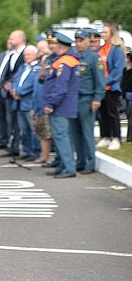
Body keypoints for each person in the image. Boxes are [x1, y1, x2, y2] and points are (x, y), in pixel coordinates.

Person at [43, 32, 80, 178]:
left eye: (56, 44)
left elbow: (61, 86)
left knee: (61, 136)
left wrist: (51, 103)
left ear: (61, 45)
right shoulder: (67, 60)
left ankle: (68, 168)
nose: (54, 47)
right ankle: (63, 166)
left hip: (61, 106)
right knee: (63, 136)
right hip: (65, 105)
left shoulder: (65, 62)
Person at [70, 29, 105, 173]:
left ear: (87, 41)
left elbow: (100, 81)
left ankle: (90, 163)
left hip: (86, 98)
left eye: (81, 41)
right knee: (75, 133)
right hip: (73, 99)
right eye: (76, 41)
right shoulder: (73, 57)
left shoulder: (94, 58)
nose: (78, 44)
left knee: (87, 133)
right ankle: (80, 161)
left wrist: (97, 98)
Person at [0, 30, 26, 156]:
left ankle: (19, 146)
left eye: (13, 38)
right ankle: (13, 146)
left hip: (19, 92)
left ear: (20, 39)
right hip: (8, 92)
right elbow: (8, 72)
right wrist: (4, 83)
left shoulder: (24, 53)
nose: (10, 40)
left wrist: (13, 84)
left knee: (19, 122)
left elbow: (21, 72)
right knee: (10, 121)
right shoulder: (12, 55)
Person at [96, 22, 127, 151]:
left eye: (105, 32)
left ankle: (116, 138)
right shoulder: (102, 48)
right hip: (101, 86)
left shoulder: (116, 49)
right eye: (102, 32)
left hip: (111, 87)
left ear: (111, 34)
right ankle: (105, 136)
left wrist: (106, 81)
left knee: (112, 114)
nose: (102, 34)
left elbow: (117, 70)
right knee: (102, 114)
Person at [8, 45, 40, 161]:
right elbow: (15, 80)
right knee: (24, 129)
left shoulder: (37, 68)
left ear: (35, 55)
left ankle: (35, 151)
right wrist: (13, 89)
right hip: (19, 103)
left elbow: (32, 84)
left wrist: (18, 92)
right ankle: (27, 150)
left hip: (29, 102)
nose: (27, 57)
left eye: (29, 54)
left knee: (33, 129)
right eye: (25, 54)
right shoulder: (22, 67)